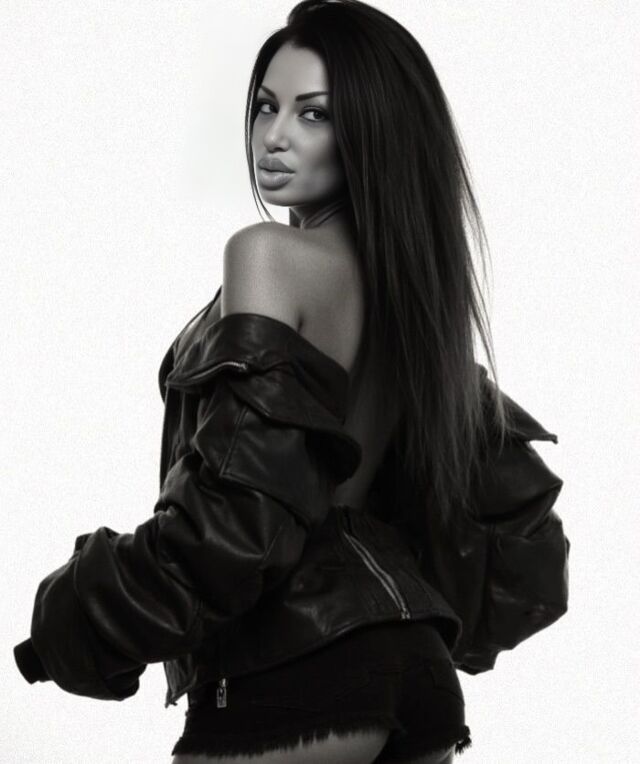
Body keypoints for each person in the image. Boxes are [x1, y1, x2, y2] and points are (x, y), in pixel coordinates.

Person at [14, 1, 569, 762]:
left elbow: (236, 522)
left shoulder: (268, 256)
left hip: (297, 674)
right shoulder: (413, 295)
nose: (273, 136)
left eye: (313, 114)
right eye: (265, 107)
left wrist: (77, 616)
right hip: (419, 668)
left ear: (371, 130)